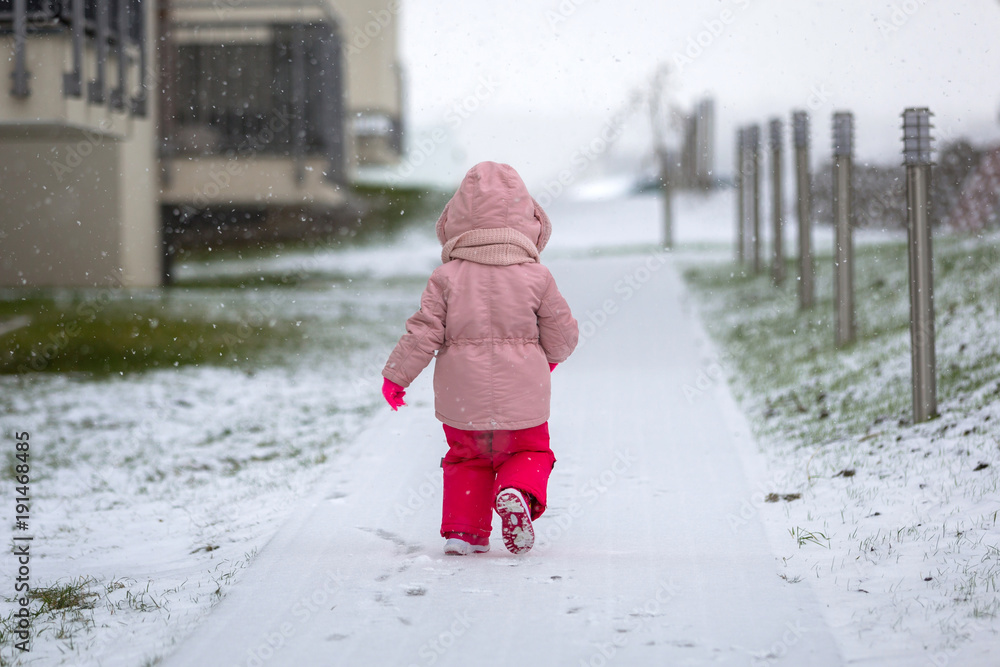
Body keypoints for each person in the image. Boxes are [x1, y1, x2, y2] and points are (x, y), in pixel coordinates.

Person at [381, 161, 579, 556]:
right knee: (530, 451)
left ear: (454, 221)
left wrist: (396, 377)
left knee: (465, 458)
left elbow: (424, 331)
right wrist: (551, 357)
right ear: (531, 221)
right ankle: (516, 492)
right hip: (524, 394)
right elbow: (564, 335)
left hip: (462, 397)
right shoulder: (537, 277)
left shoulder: (446, 277)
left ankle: (464, 532)